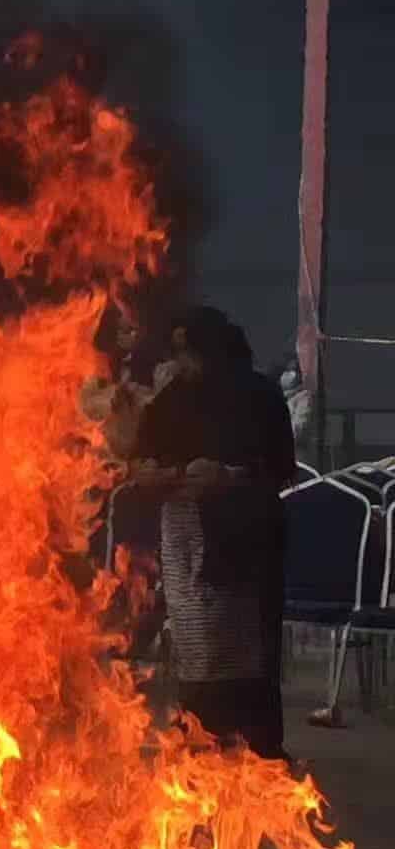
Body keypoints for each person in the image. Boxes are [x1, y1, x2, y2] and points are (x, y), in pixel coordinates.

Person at [131, 306, 296, 760]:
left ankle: (252, 742)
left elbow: (281, 468)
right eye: (179, 353)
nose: (185, 364)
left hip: (245, 536)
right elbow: (142, 455)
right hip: (186, 532)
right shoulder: (174, 398)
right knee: (196, 643)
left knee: (245, 647)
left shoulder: (259, 396)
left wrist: (227, 474)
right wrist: (152, 472)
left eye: (191, 353)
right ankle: (201, 735)